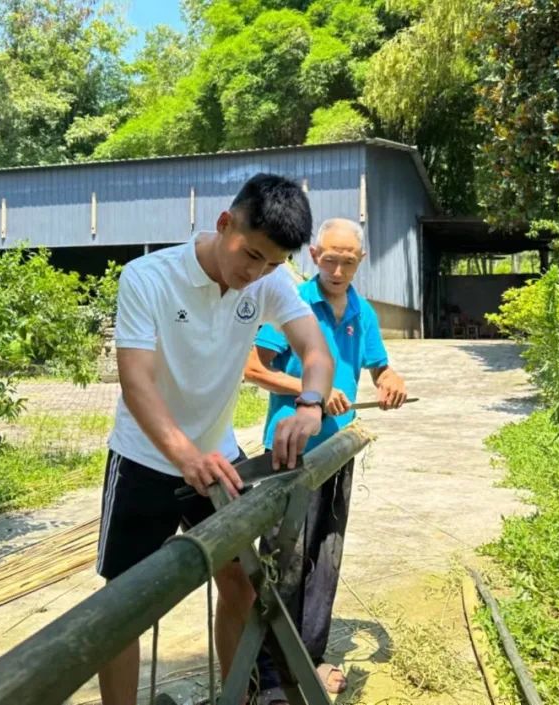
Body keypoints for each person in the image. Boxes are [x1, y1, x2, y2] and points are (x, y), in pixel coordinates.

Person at [97, 173, 335, 705]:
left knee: (241, 584)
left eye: (273, 264)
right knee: (122, 608)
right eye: (251, 256)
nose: (257, 273)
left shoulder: (269, 282)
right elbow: (135, 381)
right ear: (224, 223)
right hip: (145, 456)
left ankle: (241, 696)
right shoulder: (148, 277)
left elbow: (316, 353)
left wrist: (311, 403)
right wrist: (184, 454)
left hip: (219, 457)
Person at [244, 217, 408, 701]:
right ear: (314, 256)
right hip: (291, 453)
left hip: (338, 451)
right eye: (330, 259)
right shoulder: (293, 306)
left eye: (348, 261)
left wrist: (389, 377)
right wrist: (311, 391)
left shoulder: (362, 310)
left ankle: (309, 659)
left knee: (325, 559)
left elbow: (378, 364)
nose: (337, 269)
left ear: (361, 261)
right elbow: (254, 368)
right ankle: (269, 674)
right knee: (284, 561)